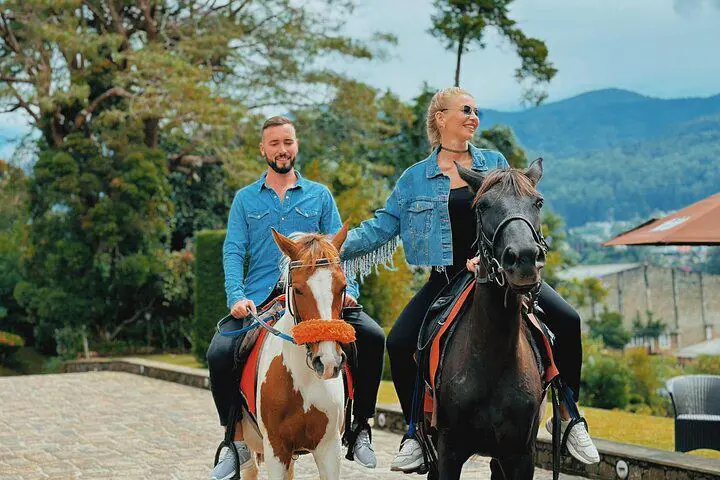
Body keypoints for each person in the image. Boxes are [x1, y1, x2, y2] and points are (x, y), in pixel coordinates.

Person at [340, 87, 600, 474]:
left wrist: (492, 256)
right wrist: (329, 245)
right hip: (446, 279)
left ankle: (568, 414)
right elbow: (381, 227)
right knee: (399, 341)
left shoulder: (494, 163)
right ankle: (416, 432)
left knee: (568, 320)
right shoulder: (414, 179)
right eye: (465, 110)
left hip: (500, 274)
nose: (474, 117)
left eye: (476, 110)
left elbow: (514, 212)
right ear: (440, 118)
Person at [207, 116, 385, 480]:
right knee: (219, 353)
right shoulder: (245, 199)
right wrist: (236, 296)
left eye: (287, 142)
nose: (282, 149)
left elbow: (338, 252)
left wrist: (348, 293)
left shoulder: (320, 195)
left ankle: (359, 428)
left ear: (296, 146)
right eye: (274, 143)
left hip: (316, 298)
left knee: (372, 336)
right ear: (263, 149)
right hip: (262, 298)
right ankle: (236, 441)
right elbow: (233, 251)